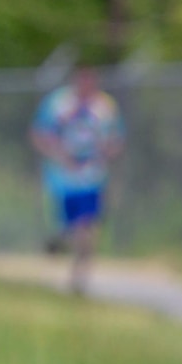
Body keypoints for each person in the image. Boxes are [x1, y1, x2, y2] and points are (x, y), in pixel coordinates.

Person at [30, 65, 125, 293]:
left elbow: (117, 139)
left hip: (92, 177)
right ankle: (61, 242)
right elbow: (39, 134)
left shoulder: (105, 106)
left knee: (87, 225)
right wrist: (58, 155)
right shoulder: (58, 103)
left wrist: (106, 153)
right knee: (69, 226)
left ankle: (79, 277)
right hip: (62, 178)